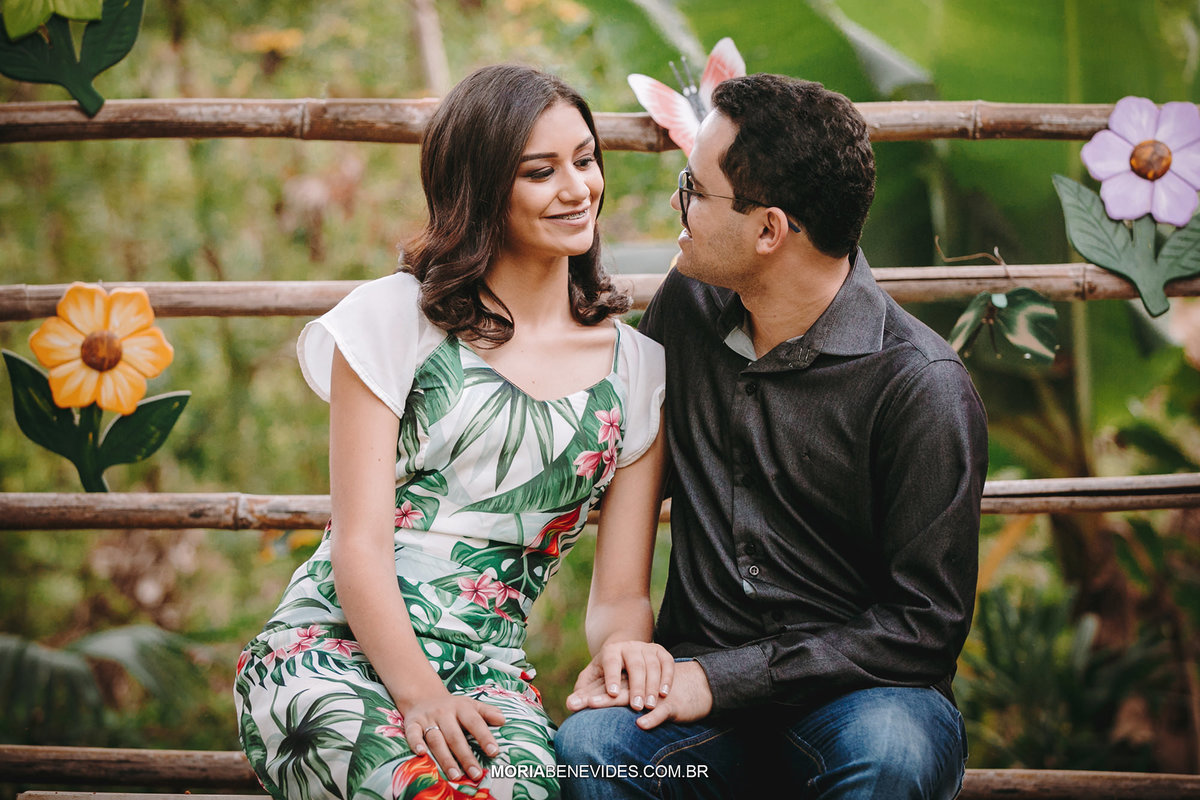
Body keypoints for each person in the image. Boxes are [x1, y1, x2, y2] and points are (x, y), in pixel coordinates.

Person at [234, 64, 671, 800]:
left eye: (585, 160)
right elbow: (359, 544)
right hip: (332, 653)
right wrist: (420, 696)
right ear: (480, 188)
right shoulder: (392, 320)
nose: (577, 189)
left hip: (489, 676)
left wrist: (626, 650)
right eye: (541, 172)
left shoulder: (637, 369)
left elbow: (620, 596)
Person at [555, 74, 988, 799]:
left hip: (865, 701)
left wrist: (719, 680)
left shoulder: (921, 386)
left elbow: (924, 627)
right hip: (698, 712)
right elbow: (618, 452)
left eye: (695, 189)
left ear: (769, 231)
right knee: (593, 750)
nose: (677, 205)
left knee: (890, 756)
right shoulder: (687, 309)